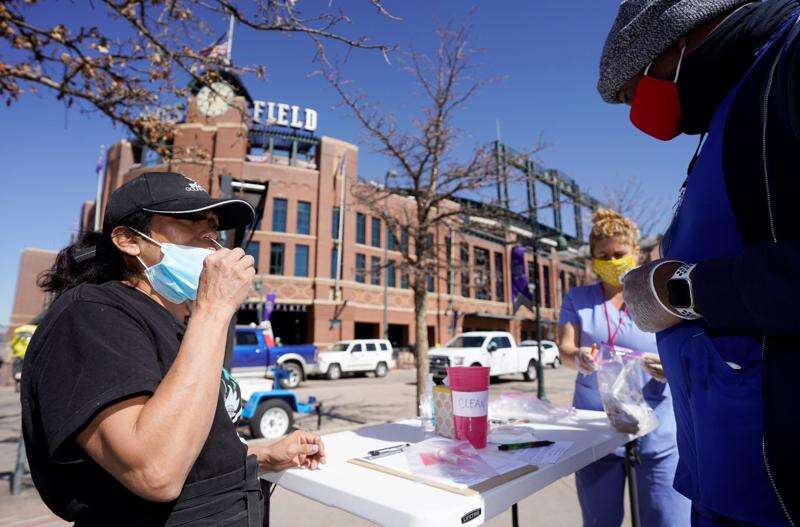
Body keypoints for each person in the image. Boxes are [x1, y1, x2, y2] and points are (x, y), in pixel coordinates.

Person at [21, 172, 326, 526]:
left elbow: (193, 450)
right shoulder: (90, 314)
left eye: (213, 229)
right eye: (191, 223)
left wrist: (262, 455)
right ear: (128, 240)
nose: (211, 242)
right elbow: (153, 470)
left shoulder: (176, 324)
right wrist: (212, 310)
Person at [598, 1, 800, 524]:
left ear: (677, 40)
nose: (637, 114)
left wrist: (683, 290)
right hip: (729, 474)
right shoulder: (738, 102)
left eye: (632, 93)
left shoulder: (792, 58)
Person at [558, 209, 690, 527]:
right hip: (596, 430)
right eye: (603, 255)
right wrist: (578, 358)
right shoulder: (578, 298)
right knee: (600, 520)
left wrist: (669, 366)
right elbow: (565, 349)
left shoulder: (659, 293)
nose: (612, 260)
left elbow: (686, 349)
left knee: (665, 520)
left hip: (657, 428)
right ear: (592, 258)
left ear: (636, 252)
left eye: (619, 253)